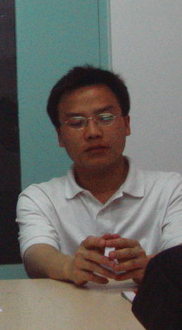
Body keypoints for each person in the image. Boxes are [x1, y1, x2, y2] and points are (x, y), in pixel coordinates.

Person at [16, 65, 182, 286]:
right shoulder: (39, 197)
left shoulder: (171, 189)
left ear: (127, 124)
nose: (93, 132)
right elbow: (35, 255)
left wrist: (151, 267)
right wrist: (69, 267)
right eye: (77, 123)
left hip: (150, 309)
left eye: (105, 117)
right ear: (60, 137)